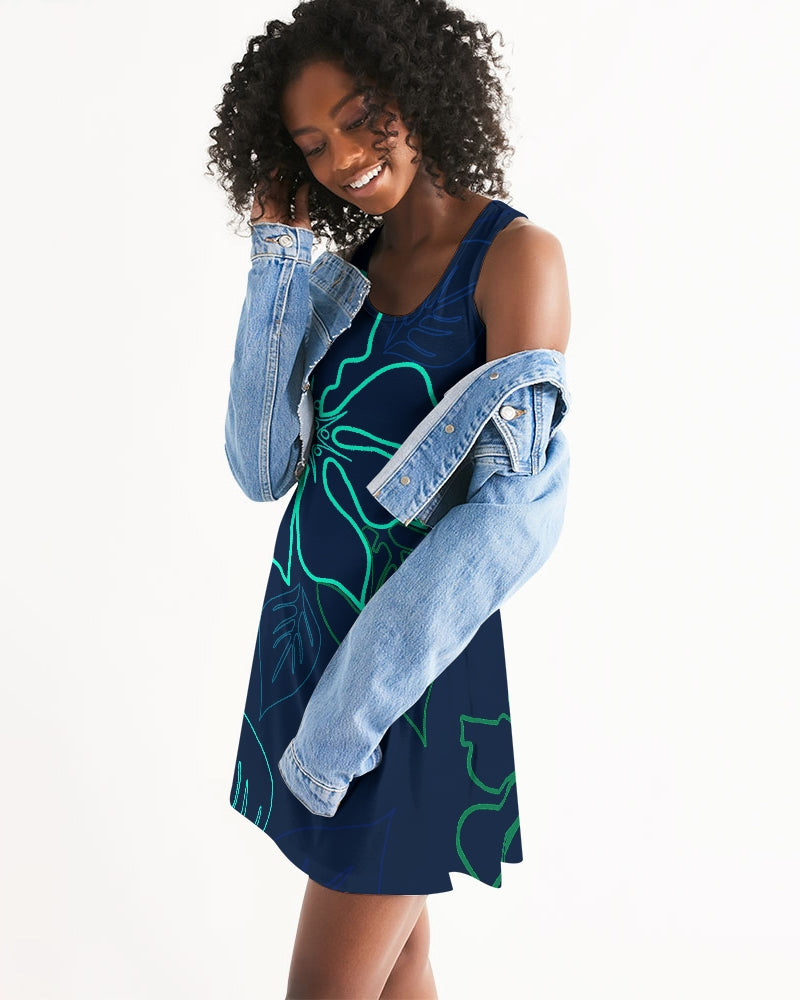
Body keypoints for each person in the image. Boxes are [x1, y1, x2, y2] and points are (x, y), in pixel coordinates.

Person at [206, 0, 571, 995]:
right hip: (311, 639)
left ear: (417, 87)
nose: (344, 158)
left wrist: (343, 721)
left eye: (361, 116)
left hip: (400, 690)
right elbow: (260, 466)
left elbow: (506, 525)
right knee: (400, 966)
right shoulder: (344, 280)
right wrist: (276, 259)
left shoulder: (515, 258)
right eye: (311, 144)